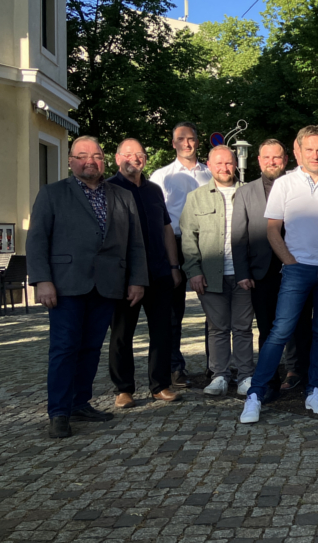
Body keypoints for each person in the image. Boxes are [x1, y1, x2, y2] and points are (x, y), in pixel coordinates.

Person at [27, 136, 148, 438]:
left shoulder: (122, 196)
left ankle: (80, 402)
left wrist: (136, 280)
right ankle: (59, 412)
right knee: (64, 348)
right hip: (66, 284)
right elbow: (38, 239)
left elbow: (135, 243)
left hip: (107, 284)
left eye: (96, 156)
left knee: (92, 347)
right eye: (82, 156)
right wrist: (42, 280)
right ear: (70, 161)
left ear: (104, 161)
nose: (90, 161)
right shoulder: (52, 194)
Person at [239, 126, 318, 423]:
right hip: (297, 269)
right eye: (310, 149)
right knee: (280, 332)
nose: (316, 155)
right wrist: (289, 262)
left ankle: (315, 390)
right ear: (298, 151)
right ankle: (256, 394)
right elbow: (272, 229)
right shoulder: (285, 184)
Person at [231, 139, 312, 397]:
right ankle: (269, 383)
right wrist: (242, 273)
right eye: (266, 158)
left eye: (276, 157)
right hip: (262, 273)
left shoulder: (298, 186)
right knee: (267, 329)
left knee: (301, 327)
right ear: (258, 160)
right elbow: (238, 236)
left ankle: (301, 376)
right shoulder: (245, 192)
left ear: (285, 159)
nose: (271, 162)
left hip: (298, 268)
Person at [106, 138, 183, 408]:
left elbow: (166, 229)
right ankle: (123, 389)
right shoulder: (108, 189)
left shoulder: (153, 190)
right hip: (124, 276)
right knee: (121, 333)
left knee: (162, 331)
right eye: (128, 154)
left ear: (145, 160)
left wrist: (174, 267)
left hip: (159, 272)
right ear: (117, 159)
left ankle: (159, 385)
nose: (134, 159)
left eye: (139, 154)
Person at [181, 146, 255, 397]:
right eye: (219, 163)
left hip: (243, 275)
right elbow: (189, 239)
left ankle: (245, 376)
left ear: (235, 164)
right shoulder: (196, 197)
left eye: (228, 163)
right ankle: (220, 375)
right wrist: (194, 272)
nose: (224, 168)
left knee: (243, 328)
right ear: (209, 166)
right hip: (211, 276)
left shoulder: (248, 194)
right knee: (218, 328)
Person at [149, 122, 212, 388]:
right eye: (181, 139)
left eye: (191, 139)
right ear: (173, 143)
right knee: (172, 312)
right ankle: (175, 367)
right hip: (172, 243)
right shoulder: (160, 176)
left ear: (198, 141)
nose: (187, 143)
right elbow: (156, 218)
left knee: (214, 308)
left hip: (207, 244)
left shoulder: (211, 174)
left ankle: (215, 367)